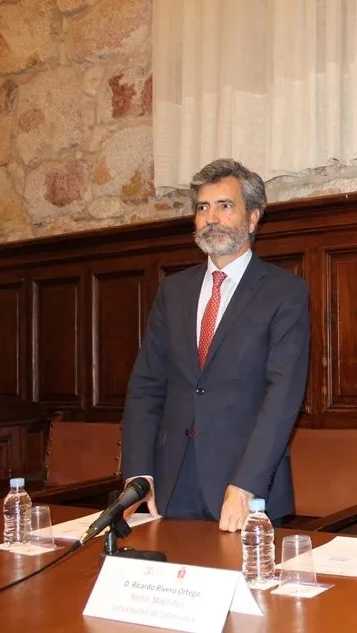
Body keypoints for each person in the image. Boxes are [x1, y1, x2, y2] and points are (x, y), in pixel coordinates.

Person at [121, 158, 310, 531]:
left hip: (244, 488)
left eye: (225, 206)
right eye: (202, 208)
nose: (210, 217)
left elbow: (282, 396)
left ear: (253, 218)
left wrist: (245, 485)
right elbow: (146, 387)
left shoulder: (284, 292)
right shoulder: (173, 291)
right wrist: (138, 477)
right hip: (171, 482)